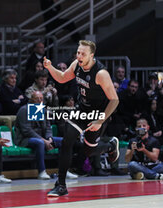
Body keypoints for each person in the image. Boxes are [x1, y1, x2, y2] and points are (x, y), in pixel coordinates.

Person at [43, 40, 119, 196]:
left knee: (88, 151)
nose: (79, 56)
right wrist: (50, 67)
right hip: (82, 110)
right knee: (66, 142)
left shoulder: (101, 73)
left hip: (98, 114)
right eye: (78, 52)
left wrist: (100, 120)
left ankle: (111, 146)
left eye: (83, 54)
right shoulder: (77, 65)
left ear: (92, 55)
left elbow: (115, 100)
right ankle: (61, 185)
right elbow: (63, 77)